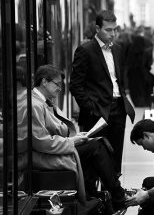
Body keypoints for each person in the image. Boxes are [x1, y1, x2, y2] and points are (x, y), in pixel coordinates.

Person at [17, 64, 128, 214]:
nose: (59, 89)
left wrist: (75, 137)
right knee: (96, 148)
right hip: (42, 155)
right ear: (44, 82)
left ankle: (103, 196)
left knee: (97, 143)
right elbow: (41, 141)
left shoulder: (41, 101)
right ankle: (117, 196)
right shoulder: (34, 104)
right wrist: (71, 141)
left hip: (54, 147)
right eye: (57, 84)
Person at [70, 10, 135, 173]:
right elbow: (75, 85)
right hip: (97, 112)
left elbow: (118, 77)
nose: (113, 33)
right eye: (108, 30)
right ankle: (95, 195)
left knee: (115, 154)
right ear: (97, 29)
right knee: (95, 156)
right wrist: (90, 108)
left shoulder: (118, 49)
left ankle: (114, 193)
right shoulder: (85, 50)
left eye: (115, 29)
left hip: (118, 109)